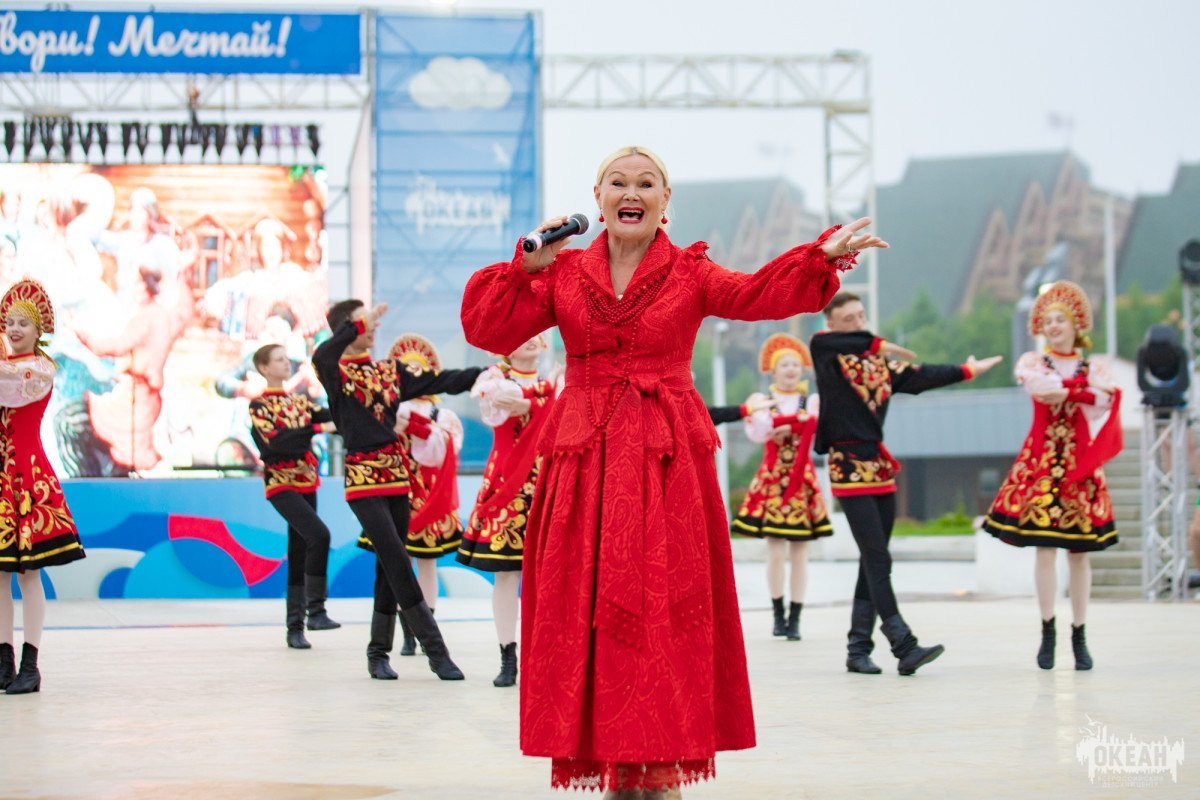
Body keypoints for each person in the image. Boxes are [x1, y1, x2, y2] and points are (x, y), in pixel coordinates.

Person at [460, 145, 886, 797]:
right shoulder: (564, 272)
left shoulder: (691, 272)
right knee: (587, 609)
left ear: (665, 202)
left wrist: (818, 257)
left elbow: (756, 293)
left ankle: (661, 764)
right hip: (585, 460)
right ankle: (610, 758)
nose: (631, 192)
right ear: (597, 198)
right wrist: (524, 268)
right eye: (618, 182)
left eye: (646, 183)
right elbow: (487, 326)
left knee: (662, 604)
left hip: (664, 462)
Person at [811, 292, 1001, 676]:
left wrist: (968, 371)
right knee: (877, 556)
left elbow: (920, 377)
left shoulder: (879, 363)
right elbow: (834, 342)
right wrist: (877, 343)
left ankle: (858, 649)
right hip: (847, 466)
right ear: (832, 324)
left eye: (861, 315)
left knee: (874, 558)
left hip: (879, 467)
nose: (858, 323)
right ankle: (903, 643)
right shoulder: (826, 352)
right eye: (849, 319)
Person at [312, 299, 482, 681]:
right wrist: (359, 325)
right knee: (396, 558)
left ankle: (377, 653)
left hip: (396, 475)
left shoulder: (389, 371)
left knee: (388, 565)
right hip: (362, 478)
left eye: (370, 321)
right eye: (362, 322)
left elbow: (440, 380)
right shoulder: (334, 372)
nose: (372, 326)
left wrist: (484, 374)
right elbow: (322, 354)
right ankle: (437, 652)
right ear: (345, 329)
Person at [982, 281, 1121, 670]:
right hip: (1042, 461)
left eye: (1060, 319)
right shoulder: (1033, 361)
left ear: (1076, 323)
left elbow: (1105, 400)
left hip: (1079, 462)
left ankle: (1080, 633)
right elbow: (1043, 389)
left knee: (1079, 552)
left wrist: (1073, 390)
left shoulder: (1095, 366)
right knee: (1044, 547)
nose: (1054, 326)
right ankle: (1047, 629)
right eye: (1048, 321)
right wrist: (1083, 389)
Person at [0, 277, 86, 694]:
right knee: (0, 577)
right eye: (10, 322)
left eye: (23, 323)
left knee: (28, 575)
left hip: (28, 479)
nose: (14, 329)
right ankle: (3, 662)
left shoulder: (39, 369)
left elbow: (10, 387)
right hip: (3, 479)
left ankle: (30, 665)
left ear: (39, 331)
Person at [458, 334, 558, 688]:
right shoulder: (493, 379)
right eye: (521, 335)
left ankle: (544, 654)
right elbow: (504, 405)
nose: (530, 340)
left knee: (548, 574)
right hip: (507, 481)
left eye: (535, 335)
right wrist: (540, 398)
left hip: (547, 478)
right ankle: (508, 655)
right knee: (506, 573)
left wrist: (536, 399)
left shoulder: (557, 382)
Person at [732, 333, 830, 641]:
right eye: (784, 364)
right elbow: (756, 434)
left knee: (800, 552)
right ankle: (778, 613)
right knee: (775, 551)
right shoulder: (763, 402)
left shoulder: (811, 402)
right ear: (773, 371)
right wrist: (775, 430)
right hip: (774, 479)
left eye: (795, 364)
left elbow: (820, 431)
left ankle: (796, 617)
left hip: (802, 480)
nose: (790, 370)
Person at [248, 343, 341, 650]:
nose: (285, 364)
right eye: (278, 360)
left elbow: (334, 417)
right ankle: (316, 610)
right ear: (264, 368)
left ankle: (295, 628)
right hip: (281, 484)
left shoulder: (301, 402)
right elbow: (277, 444)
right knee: (319, 534)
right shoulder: (259, 406)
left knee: (299, 549)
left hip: (306, 481)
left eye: (286, 359)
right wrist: (316, 428)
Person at [385, 334, 466, 657]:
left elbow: (449, 449)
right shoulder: (390, 410)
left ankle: (424, 629)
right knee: (398, 564)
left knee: (426, 563)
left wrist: (421, 428)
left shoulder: (442, 415)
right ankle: (407, 630)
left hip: (428, 495)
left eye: (419, 371)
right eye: (407, 371)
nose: (413, 376)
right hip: (398, 490)